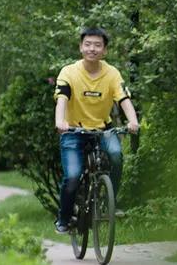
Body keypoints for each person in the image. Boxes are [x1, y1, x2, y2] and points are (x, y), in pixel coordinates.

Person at [53, 27, 140, 233]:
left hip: (102, 129)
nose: (92, 49)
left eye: (97, 45)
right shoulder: (69, 72)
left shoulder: (112, 73)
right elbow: (62, 98)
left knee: (116, 155)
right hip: (73, 131)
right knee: (73, 176)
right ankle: (64, 219)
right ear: (81, 47)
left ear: (104, 50)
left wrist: (133, 121)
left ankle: (110, 202)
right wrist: (60, 122)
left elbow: (123, 99)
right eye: (88, 44)